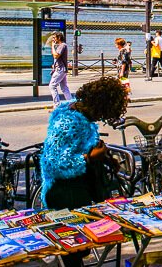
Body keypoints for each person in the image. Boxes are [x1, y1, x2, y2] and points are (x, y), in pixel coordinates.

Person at [41, 77, 129, 267]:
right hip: (66, 193)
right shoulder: (69, 121)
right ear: (101, 106)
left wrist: (105, 158)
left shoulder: (81, 116)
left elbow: (82, 147)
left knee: (80, 248)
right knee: (74, 250)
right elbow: (53, 163)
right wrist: (89, 158)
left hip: (79, 190)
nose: (103, 119)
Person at [48, 32, 72, 109]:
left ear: (59, 38)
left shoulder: (62, 45)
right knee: (64, 87)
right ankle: (71, 103)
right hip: (61, 68)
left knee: (52, 86)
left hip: (60, 69)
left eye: (54, 37)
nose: (53, 39)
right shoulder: (60, 46)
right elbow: (57, 57)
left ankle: (57, 105)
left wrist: (52, 46)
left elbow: (56, 55)